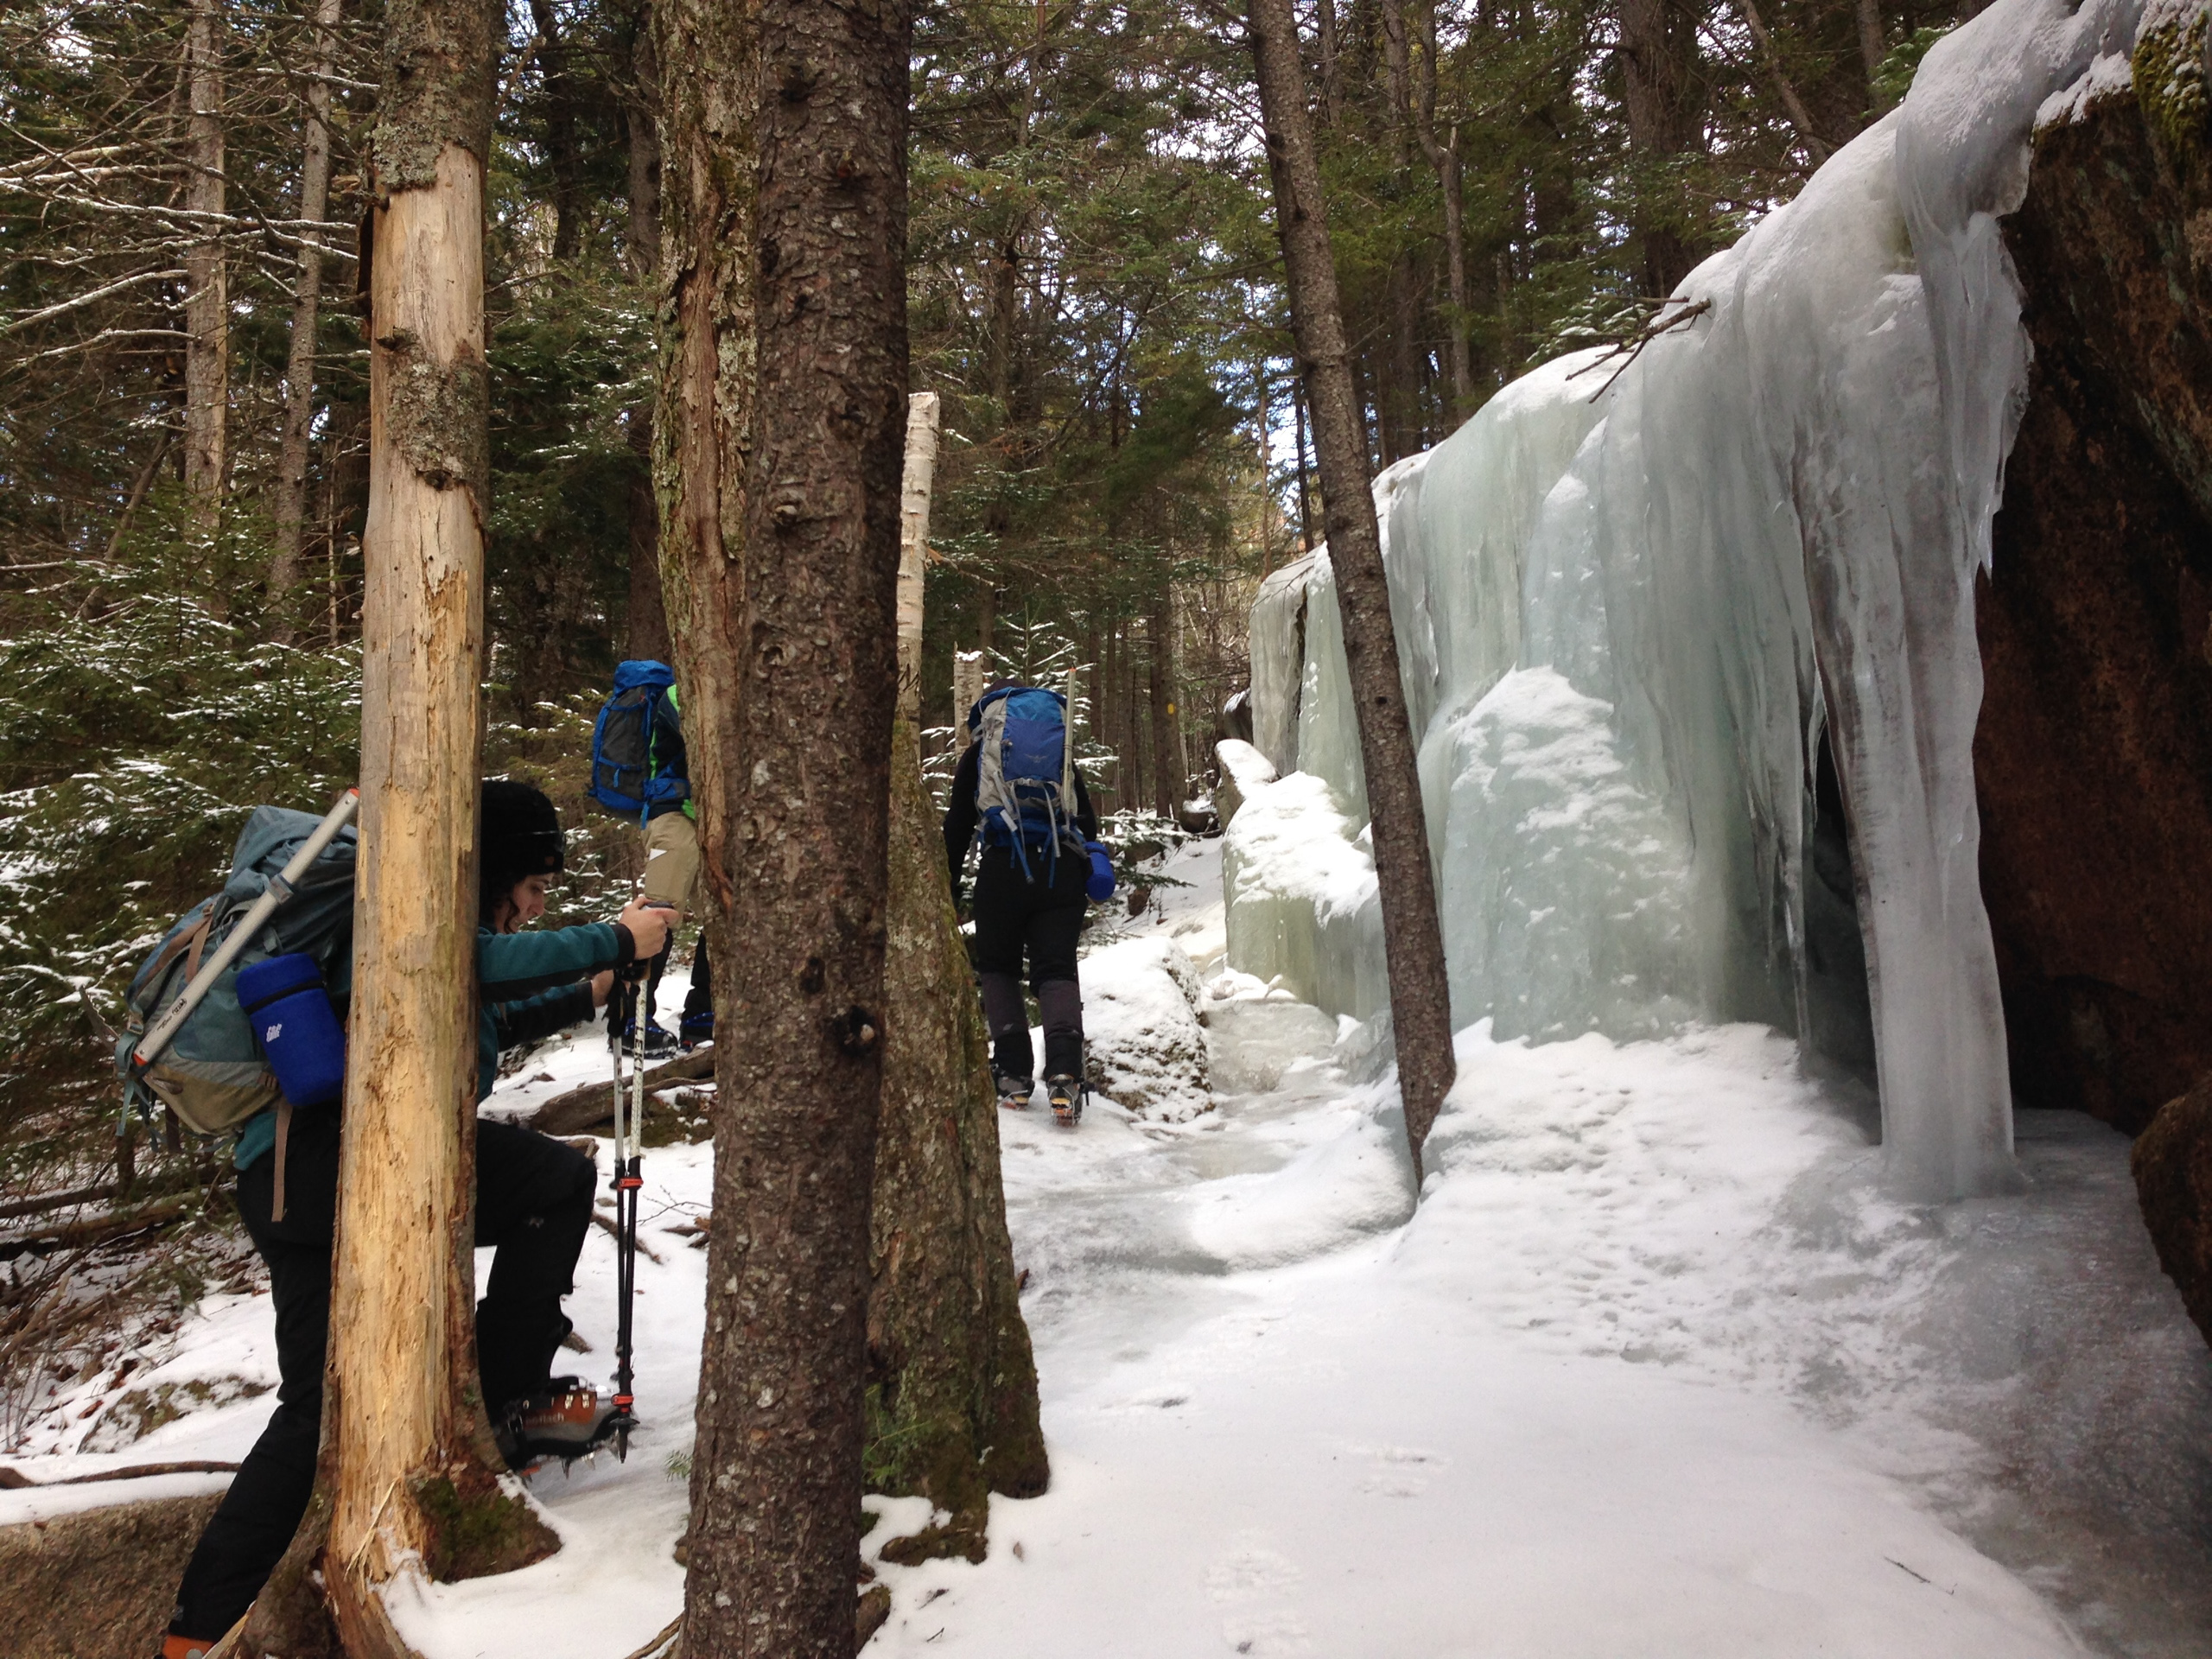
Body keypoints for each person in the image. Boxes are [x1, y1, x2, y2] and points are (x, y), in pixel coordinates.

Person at [162, 780, 671, 1659]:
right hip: (329, 1165)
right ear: (499, 872)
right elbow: (466, 966)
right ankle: (506, 1406)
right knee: (549, 1184)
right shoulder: (405, 918)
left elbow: (479, 1006)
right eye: (535, 886)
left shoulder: (414, 938)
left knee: (320, 1407)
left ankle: (199, 1627)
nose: (537, 906)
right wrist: (618, 938)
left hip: (300, 1176)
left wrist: (592, 987)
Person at [944, 683, 1102, 1122]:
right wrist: (1093, 867)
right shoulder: (1060, 757)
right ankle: (1066, 1071)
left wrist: (947, 890)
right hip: (1060, 870)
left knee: (998, 968)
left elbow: (957, 827)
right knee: (1056, 969)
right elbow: (1086, 819)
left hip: (1003, 871)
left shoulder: (979, 760)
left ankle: (1013, 1073)